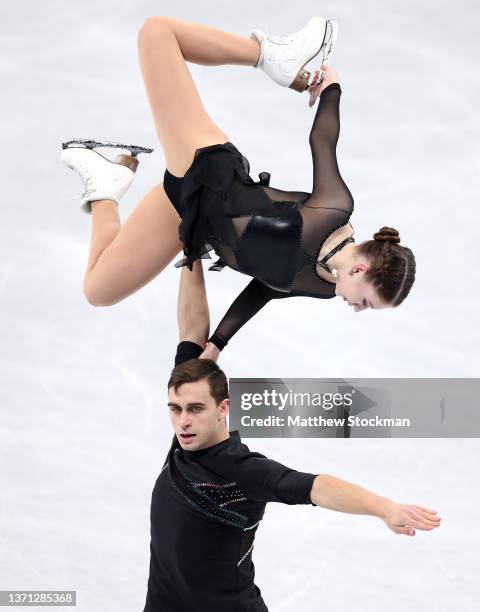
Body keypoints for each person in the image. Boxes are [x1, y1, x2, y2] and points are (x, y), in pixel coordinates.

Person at [61, 15, 416, 360]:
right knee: (157, 34)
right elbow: (322, 140)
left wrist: (217, 343)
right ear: (360, 271)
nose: (358, 310)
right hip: (205, 166)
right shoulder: (333, 211)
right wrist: (332, 87)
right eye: (367, 302)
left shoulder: (324, 287)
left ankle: (106, 185)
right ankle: (271, 56)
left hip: (189, 215)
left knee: (99, 290)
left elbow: (266, 288)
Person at [142, 259, 440, 612]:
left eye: (195, 409)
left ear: (223, 409)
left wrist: (384, 508)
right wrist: (191, 251)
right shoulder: (184, 443)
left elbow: (317, 486)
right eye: (175, 409)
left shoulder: (239, 469)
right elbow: (191, 331)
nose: (183, 422)